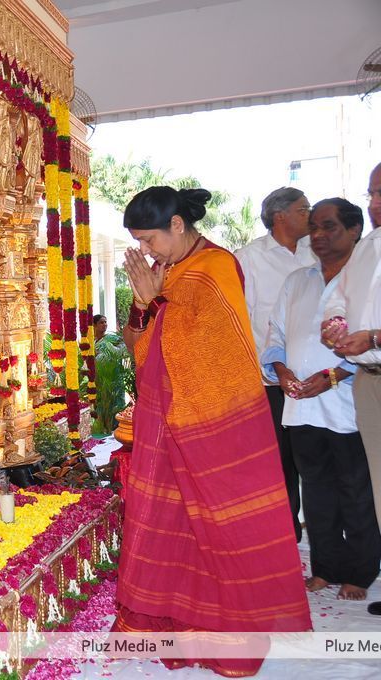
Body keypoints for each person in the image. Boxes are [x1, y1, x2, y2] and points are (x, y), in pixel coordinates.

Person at [115, 186, 311, 676]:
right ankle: (169, 625)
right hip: (166, 423)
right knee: (169, 527)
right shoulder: (172, 270)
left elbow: (211, 350)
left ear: (177, 226)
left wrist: (157, 299)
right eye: (139, 242)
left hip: (210, 426)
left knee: (217, 531)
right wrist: (148, 303)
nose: (145, 251)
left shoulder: (216, 267)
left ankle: (224, 637)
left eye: (149, 239)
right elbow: (147, 348)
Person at [263, 198, 379, 601]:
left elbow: (371, 346)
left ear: (353, 232)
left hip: (349, 406)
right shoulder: (298, 281)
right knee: (315, 492)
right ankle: (325, 567)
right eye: (314, 227)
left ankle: (360, 572)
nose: (319, 235)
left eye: (329, 227)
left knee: (356, 491)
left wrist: (332, 376)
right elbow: (275, 335)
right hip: (300, 406)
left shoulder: (367, 281)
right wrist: (281, 373)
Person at [235, 187, 314, 542]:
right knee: (281, 459)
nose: (310, 215)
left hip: (322, 377)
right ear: (280, 216)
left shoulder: (318, 250)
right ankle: (286, 529)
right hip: (270, 381)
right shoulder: (250, 259)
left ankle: (324, 529)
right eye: (303, 209)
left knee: (316, 457)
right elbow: (243, 320)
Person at [321, 162, 381, 614]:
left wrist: (376, 337)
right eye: (371, 193)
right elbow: (339, 296)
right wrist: (337, 326)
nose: (374, 203)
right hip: (369, 380)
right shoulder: (367, 248)